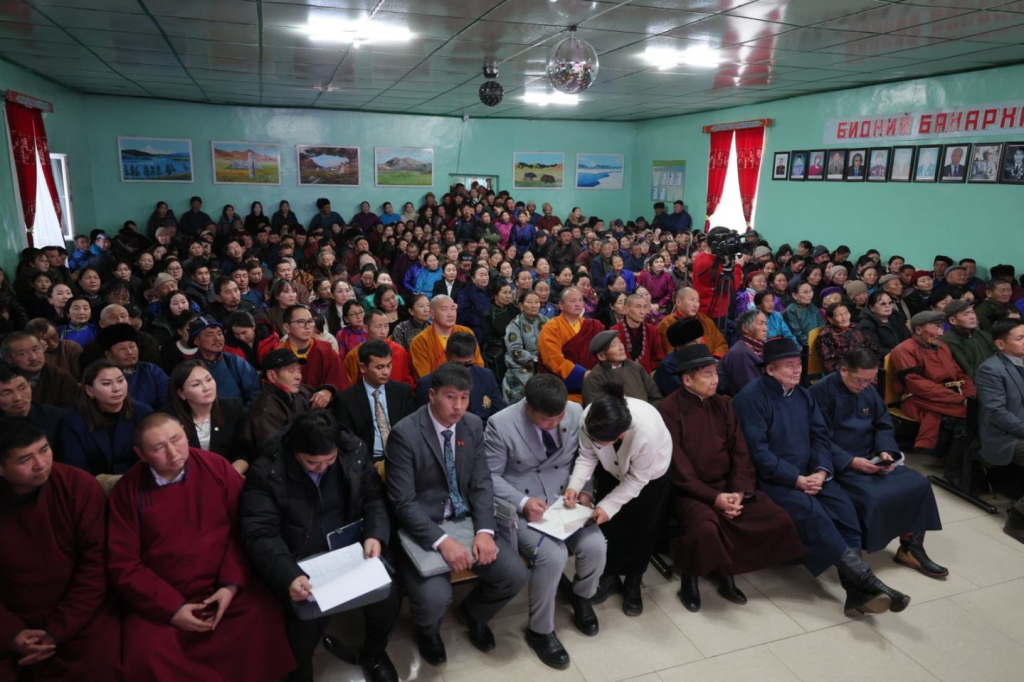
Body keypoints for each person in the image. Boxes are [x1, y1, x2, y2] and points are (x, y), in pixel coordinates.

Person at [106, 413, 295, 681]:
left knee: (261, 616)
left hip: (223, 584)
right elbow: (123, 564)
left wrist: (229, 586)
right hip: (161, 597)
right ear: (141, 454)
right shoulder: (128, 491)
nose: (173, 453)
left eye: (176, 439)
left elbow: (242, 529)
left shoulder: (215, 467)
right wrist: (172, 609)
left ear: (186, 433)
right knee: (146, 656)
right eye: (159, 447)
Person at [733, 338, 908, 616]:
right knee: (813, 514)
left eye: (798, 364)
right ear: (769, 369)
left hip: (812, 472)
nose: (797, 370)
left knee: (845, 511)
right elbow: (758, 453)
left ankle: (856, 592)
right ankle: (869, 582)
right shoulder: (751, 398)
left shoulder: (803, 395)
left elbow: (820, 437)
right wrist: (796, 479)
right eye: (789, 365)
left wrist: (822, 470)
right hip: (773, 479)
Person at [240, 411, 401, 682]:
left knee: (388, 594)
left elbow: (374, 497)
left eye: (330, 460)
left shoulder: (353, 452)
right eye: (312, 462)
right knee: (301, 626)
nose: (322, 468)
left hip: (349, 550)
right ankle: (300, 673)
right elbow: (260, 533)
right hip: (299, 558)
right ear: (295, 452)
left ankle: (374, 654)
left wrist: (375, 535)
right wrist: (289, 575)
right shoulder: (268, 472)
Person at [386, 362, 528, 667]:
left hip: (465, 520)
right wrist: (442, 541)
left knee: (514, 574)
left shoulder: (473, 425)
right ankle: (428, 632)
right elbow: (403, 502)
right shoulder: (404, 434)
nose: (458, 406)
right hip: (424, 526)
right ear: (432, 396)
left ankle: (475, 613)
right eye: (450, 397)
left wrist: (485, 531)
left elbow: (482, 483)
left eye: (464, 398)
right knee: (433, 598)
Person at [657, 346, 803, 612]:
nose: (715, 380)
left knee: (775, 517)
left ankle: (726, 570)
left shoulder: (723, 405)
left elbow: (740, 452)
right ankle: (690, 577)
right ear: (687, 379)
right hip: (688, 491)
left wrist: (739, 490)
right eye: (707, 375)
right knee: (705, 527)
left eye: (715, 373)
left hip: (727, 485)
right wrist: (714, 498)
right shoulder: (668, 410)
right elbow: (677, 466)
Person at [484, 376, 606, 669]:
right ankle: (540, 630)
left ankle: (581, 597)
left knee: (596, 545)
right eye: (546, 419)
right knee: (553, 555)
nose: (553, 424)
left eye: (558, 417)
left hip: (565, 497)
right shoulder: (501, 424)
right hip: (524, 504)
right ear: (528, 408)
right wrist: (523, 503)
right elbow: (489, 476)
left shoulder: (575, 411)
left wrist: (585, 491)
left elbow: (584, 457)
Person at [0, 418, 121, 681]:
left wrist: (57, 631)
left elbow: (95, 568)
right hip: (12, 614)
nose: (41, 464)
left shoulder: (78, 486)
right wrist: (10, 633)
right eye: (25, 459)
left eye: (44, 450)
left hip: (80, 611)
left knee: (102, 666)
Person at [811, 348, 947, 577]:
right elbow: (817, 437)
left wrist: (885, 451)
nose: (864, 385)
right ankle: (856, 562)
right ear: (843, 370)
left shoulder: (868, 390)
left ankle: (911, 548)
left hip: (870, 457)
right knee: (873, 497)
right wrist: (850, 461)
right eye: (860, 380)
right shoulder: (819, 393)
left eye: (870, 380)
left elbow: (883, 422)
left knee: (919, 485)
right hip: (839, 464)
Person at [565, 383, 671, 617]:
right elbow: (587, 456)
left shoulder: (645, 432)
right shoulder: (590, 417)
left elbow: (636, 479)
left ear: (620, 435)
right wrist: (574, 486)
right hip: (611, 469)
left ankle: (634, 580)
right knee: (610, 527)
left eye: (602, 442)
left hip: (649, 477)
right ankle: (609, 575)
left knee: (642, 528)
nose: (597, 444)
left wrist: (606, 506)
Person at [891, 311, 976, 487]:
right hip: (918, 399)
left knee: (979, 411)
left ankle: (971, 463)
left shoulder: (942, 346)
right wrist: (958, 400)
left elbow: (960, 374)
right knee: (965, 420)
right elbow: (917, 385)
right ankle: (952, 470)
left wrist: (970, 395)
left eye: (941, 327)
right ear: (918, 330)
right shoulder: (903, 350)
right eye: (935, 327)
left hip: (950, 395)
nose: (940, 332)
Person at [60, 359, 154, 477]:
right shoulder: (74, 421)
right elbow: (75, 468)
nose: (116, 388)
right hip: (93, 484)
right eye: (106, 384)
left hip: (137, 481)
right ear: (90, 390)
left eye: (120, 380)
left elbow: (152, 455)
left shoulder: (143, 412)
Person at [976, 319, 1024, 542]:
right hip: (1005, 436)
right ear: (1000, 344)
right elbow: (997, 413)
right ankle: (1017, 521)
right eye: (1020, 338)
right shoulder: (990, 369)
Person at [334, 340, 415, 460]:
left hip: (402, 456)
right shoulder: (346, 399)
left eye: (389, 365)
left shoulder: (403, 392)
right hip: (366, 461)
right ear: (363, 367)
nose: (386, 372)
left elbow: (412, 429)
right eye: (379, 367)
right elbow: (347, 441)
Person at [241, 349, 326, 460]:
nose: (298, 376)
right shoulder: (264, 408)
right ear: (272, 376)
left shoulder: (299, 390)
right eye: (291, 371)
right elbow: (273, 450)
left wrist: (327, 391)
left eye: (299, 370)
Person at [166, 359, 247, 473]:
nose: (206, 387)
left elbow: (242, 452)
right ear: (181, 393)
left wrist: (230, 476)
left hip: (227, 474)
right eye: (196, 384)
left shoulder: (233, 408)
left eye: (209, 379)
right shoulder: (169, 419)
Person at [415, 332, 503, 424]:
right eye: (457, 364)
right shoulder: (427, 384)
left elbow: (498, 416)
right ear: (446, 355)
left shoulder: (486, 376)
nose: (462, 370)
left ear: (474, 356)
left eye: (468, 364)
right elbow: (422, 423)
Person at [190, 315, 261, 405]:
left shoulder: (234, 362)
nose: (217, 338)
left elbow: (255, 393)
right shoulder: (189, 369)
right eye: (210, 334)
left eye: (220, 333)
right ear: (196, 341)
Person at [279, 304, 349, 394]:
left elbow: (341, 384)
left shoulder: (326, 352)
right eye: (301, 322)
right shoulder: (279, 356)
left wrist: (329, 391)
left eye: (310, 321)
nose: (307, 326)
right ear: (287, 327)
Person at [409, 295, 483, 379]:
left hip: (469, 383)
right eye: (444, 309)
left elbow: (478, 365)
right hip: (439, 385)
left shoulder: (466, 332)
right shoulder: (420, 341)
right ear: (432, 314)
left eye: (453, 308)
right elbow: (424, 378)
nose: (450, 314)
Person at [583, 329, 662, 406]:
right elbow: (598, 410)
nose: (621, 348)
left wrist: (649, 412)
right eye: (614, 345)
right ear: (602, 356)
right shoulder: (594, 379)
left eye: (620, 342)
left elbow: (656, 397)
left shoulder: (636, 367)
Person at [96, 323, 168, 408]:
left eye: (132, 346)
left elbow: (167, 400)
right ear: (108, 355)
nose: (129, 352)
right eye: (122, 349)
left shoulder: (152, 370)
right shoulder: (102, 376)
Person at [1, 331, 79, 408]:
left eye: (36, 349)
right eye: (22, 353)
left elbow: (70, 412)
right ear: (8, 358)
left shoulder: (61, 377)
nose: (33, 358)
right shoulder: (2, 379)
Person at [343, 308, 415, 389]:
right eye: (378, 326)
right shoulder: (354, 355)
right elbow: (349, 385)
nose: (383, 332)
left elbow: (408, 380)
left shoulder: (399, 351)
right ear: (365, 328)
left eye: (386, 326)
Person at [657, 287, 727, 357]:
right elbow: (670, 353)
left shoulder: (705, 320)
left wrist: (715, 358)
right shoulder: (666, 324)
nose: (696, 305)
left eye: (698, 300)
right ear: (678, 302)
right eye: (692, 300)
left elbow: (721, 344)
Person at [941, 298, 996, 379]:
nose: (972, 317)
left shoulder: (984, 335)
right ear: (953, 320)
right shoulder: (948, 341)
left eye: (972, 312)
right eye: (966, 314)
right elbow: (965, 370)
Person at [818, 302, 878, 376]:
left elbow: (872, 348)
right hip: (846, 373)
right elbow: (829, 364)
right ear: (830, 319)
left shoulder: (856, 327)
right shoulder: (827, 335)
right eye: (840, 315)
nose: (844, 318)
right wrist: (855, 369)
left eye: (846, 313)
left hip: (866, 368)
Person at [611, 293, 665, 374]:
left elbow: (658, 357)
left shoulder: (652, 330)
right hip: (623, 376)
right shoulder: (615, 331)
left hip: (647, 375)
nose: (643, 312)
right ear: (625, 309)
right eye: (638, 307)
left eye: (645, 307)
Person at [722, 309, 767, 396]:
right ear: (745, 328)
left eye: (766, 324)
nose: (765, 329)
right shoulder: (740, 353)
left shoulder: (758, 348)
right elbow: (751, 391)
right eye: (761, 324)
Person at [858, 291, 911, 359]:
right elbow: (876, 350)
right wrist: (898, 353)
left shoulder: (897, 316)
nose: (887, 306)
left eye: (890, 302)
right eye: (883, 303)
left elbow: (908, 337)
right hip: (885, 359)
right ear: (871, 308)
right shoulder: (867, 324)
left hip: (904, 354)